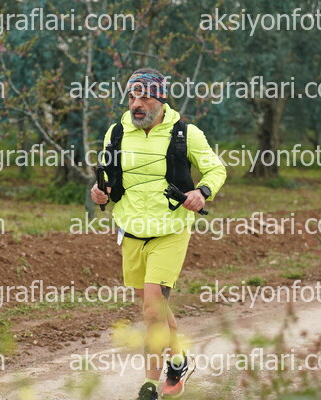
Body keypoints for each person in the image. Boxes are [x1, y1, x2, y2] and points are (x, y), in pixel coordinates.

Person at [91, 68, 226, 400]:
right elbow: (108, 179)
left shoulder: (185, 134)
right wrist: (100, 192)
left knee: (152, 310)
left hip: (171, 230)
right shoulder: (116, 133)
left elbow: (216, 168)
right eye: (131, 97)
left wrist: (202, 192)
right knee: (157, 309)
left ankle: (149, 384)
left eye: (144, 98)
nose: (136, 104)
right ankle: (179, 361)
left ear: (161, 100)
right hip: (131, 231)